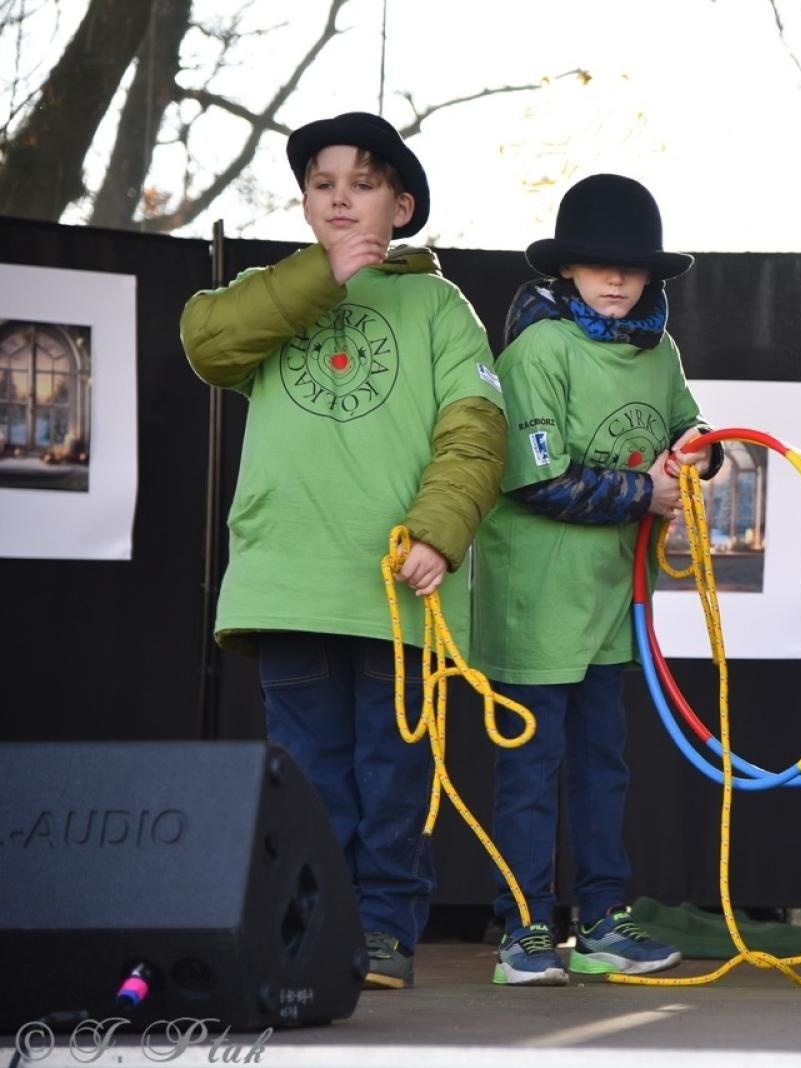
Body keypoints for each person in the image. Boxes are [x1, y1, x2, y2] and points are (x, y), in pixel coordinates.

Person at [179, 111, 508, 989]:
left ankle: (382, 934)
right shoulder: (269, 292)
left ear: (400, 206)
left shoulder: (439, 305)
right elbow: (205, 343)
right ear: (303, 202)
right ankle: (309, 935)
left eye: (361, 184)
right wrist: (318, 278)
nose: (339, 198)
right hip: (288, 584)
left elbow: (475, 432)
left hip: (396, 589)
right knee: (309, 781)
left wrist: (441, 533)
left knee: (394, 777)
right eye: (322, 184)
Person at [474, 173, 722, 986]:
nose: (615, 279)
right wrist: (642, 492)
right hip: (535, 604)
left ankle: (604, 925)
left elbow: (687, 424)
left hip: (610, 603)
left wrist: (702, 453)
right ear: (566, 271)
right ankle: (523, 930)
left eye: (630, 265)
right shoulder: (538, 351)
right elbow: (533, 479)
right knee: (530, 770)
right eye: (595, 263)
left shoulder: (660, 352)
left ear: (651, 274)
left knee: (602, 766)